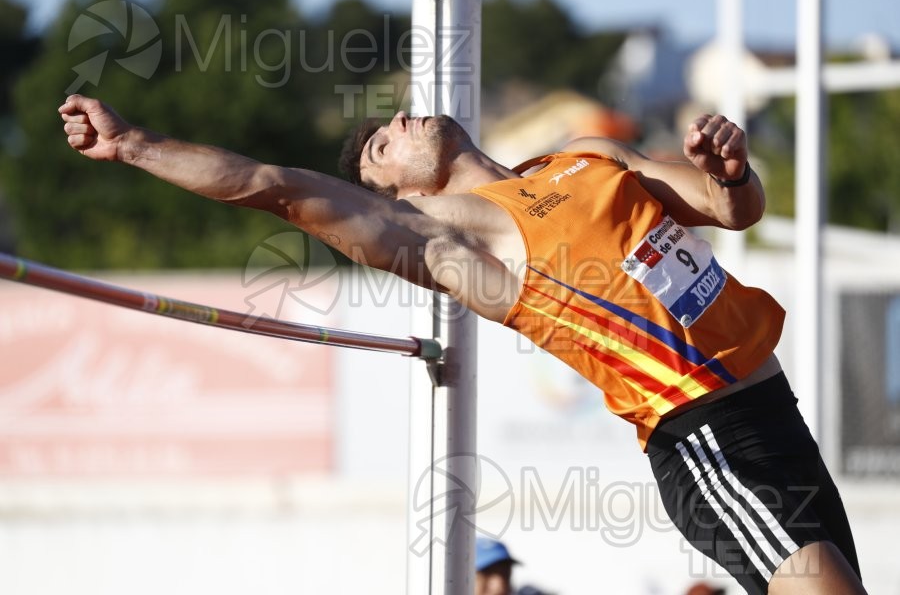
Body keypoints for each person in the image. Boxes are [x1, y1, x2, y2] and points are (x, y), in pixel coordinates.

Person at [58, 94, 866, 595]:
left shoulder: (588, 157)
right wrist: (133, 145)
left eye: (390, 121)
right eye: (381, 146)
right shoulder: (456, 241)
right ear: (400, 197)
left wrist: (730, 171)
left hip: (773, 409)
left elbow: (732, 211)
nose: (397, 122)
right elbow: (281, 188)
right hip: (707, 443)